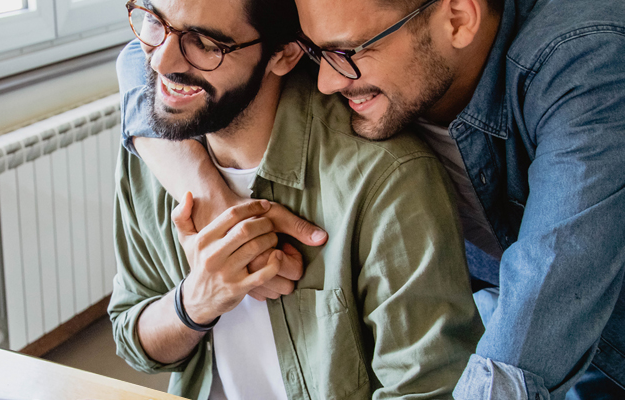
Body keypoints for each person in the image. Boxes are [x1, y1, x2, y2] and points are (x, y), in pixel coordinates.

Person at [123, 0, 625, 398]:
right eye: (317, 53)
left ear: (457, 17)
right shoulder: (366, 48)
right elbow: (142, 57)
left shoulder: (585, 58)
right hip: (501, 326)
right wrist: (213, 200)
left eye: (347, 53)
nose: (324, 82)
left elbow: (553, 278)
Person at [107, 0, 483, 398]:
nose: (161, 62)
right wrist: (194, 302)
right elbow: (133, 341)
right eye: (154, 21)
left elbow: (425, 390)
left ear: (285, 53)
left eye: (205, 43)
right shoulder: (151, 151)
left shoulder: (386, 178)